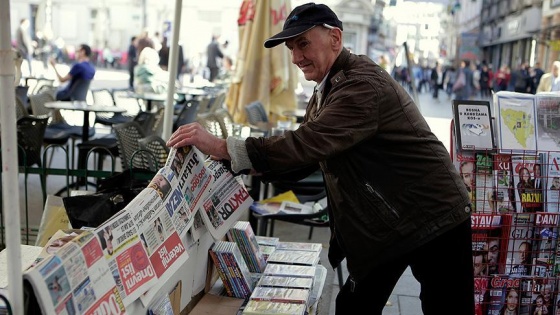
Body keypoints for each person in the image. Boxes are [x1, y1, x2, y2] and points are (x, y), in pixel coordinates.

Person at [167, 3, 474, 314]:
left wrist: (224, 147)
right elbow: (306, 158)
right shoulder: (326, 88)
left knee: (445, 307)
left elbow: (306, 143)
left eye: (303, 44)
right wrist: (239, 167)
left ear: (335, 39)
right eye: (291, 48)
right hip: (391, 221)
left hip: (433, 215)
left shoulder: (360, 84)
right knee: (354, 306)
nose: (296, 57)